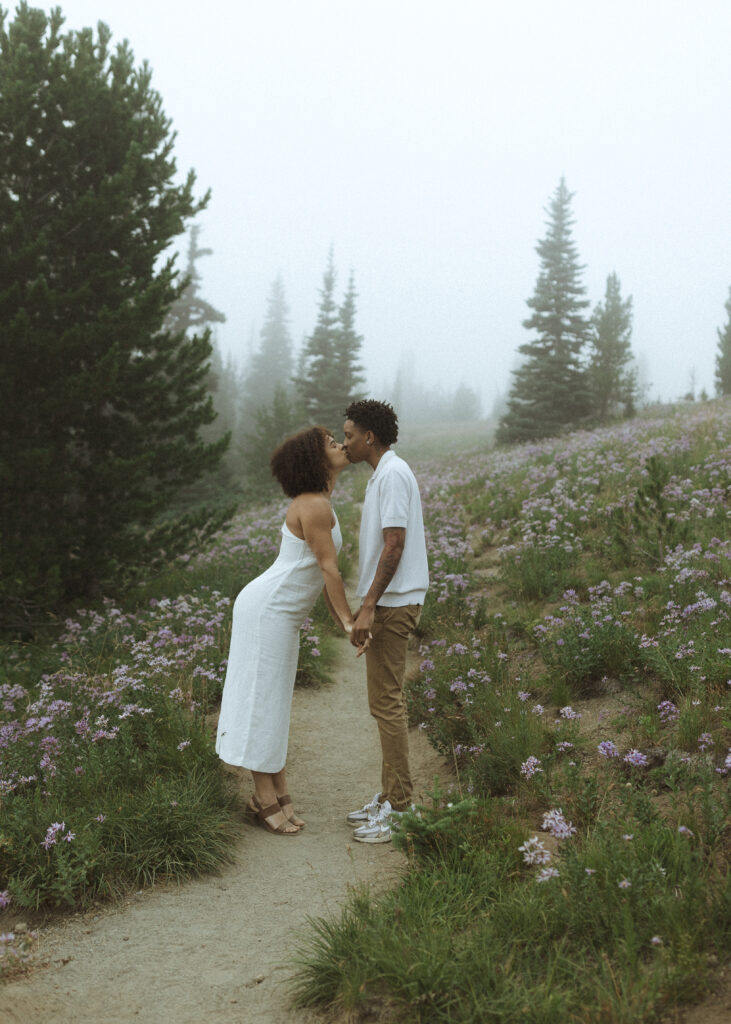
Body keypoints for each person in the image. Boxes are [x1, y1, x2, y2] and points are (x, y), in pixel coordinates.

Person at [216, 426, 364, 836]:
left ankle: (277, 790)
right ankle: (263, 796)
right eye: (329, 443)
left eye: (338, 438)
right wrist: (348, 622)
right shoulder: (313, 505)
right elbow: (329, 569)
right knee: (262, 700)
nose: (338, 444)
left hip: (277, 612)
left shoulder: (318, 500)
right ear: (314, 460)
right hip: (267, 611)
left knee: (274, 701)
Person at [342, 400, 429, 844]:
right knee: (383, 702)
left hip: (394, 603)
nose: (345, 442)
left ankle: (399, 809)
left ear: (369, 437)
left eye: (350, 434)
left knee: (388, 703)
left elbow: (394, 545)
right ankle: (389, 795)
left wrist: (369, 605)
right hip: (389, 601)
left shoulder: (392, 474)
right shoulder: (384, 475)